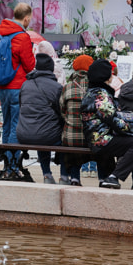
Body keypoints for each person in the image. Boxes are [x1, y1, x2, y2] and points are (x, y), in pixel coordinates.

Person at [81, 58, 133, 191]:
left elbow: (114, 116)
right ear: (105, 76)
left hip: (107, 136)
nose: (112, 76)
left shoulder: (99, 92)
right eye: (110, 73)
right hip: (101, 140)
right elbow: (111, 119)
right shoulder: (100, 94)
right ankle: (114, 177)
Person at [0, 2, 36, 182]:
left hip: (2, 87)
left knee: (7, 123)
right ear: (26, 18)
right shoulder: (22, 37)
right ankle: (13, 165)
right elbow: (30, 65)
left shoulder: (0, 32)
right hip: (17, 87)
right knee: (16, 126)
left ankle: (6, 163)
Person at [16, 53, 65, 184]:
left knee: (41, 129)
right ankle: (64, 176)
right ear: (51, 69)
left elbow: (21, 106)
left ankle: (47, 174)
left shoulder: (25, 85)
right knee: (50, 133)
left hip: (24, 134)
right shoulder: (57, 87)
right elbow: (62, 111)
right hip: (47, 136)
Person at [59, 54, 92, 186]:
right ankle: (103, 179)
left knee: (70, 143)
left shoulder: (68, 87)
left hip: (71, 136)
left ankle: (74, 178)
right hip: (92, 136)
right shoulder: (95, 87)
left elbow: (62, 109)